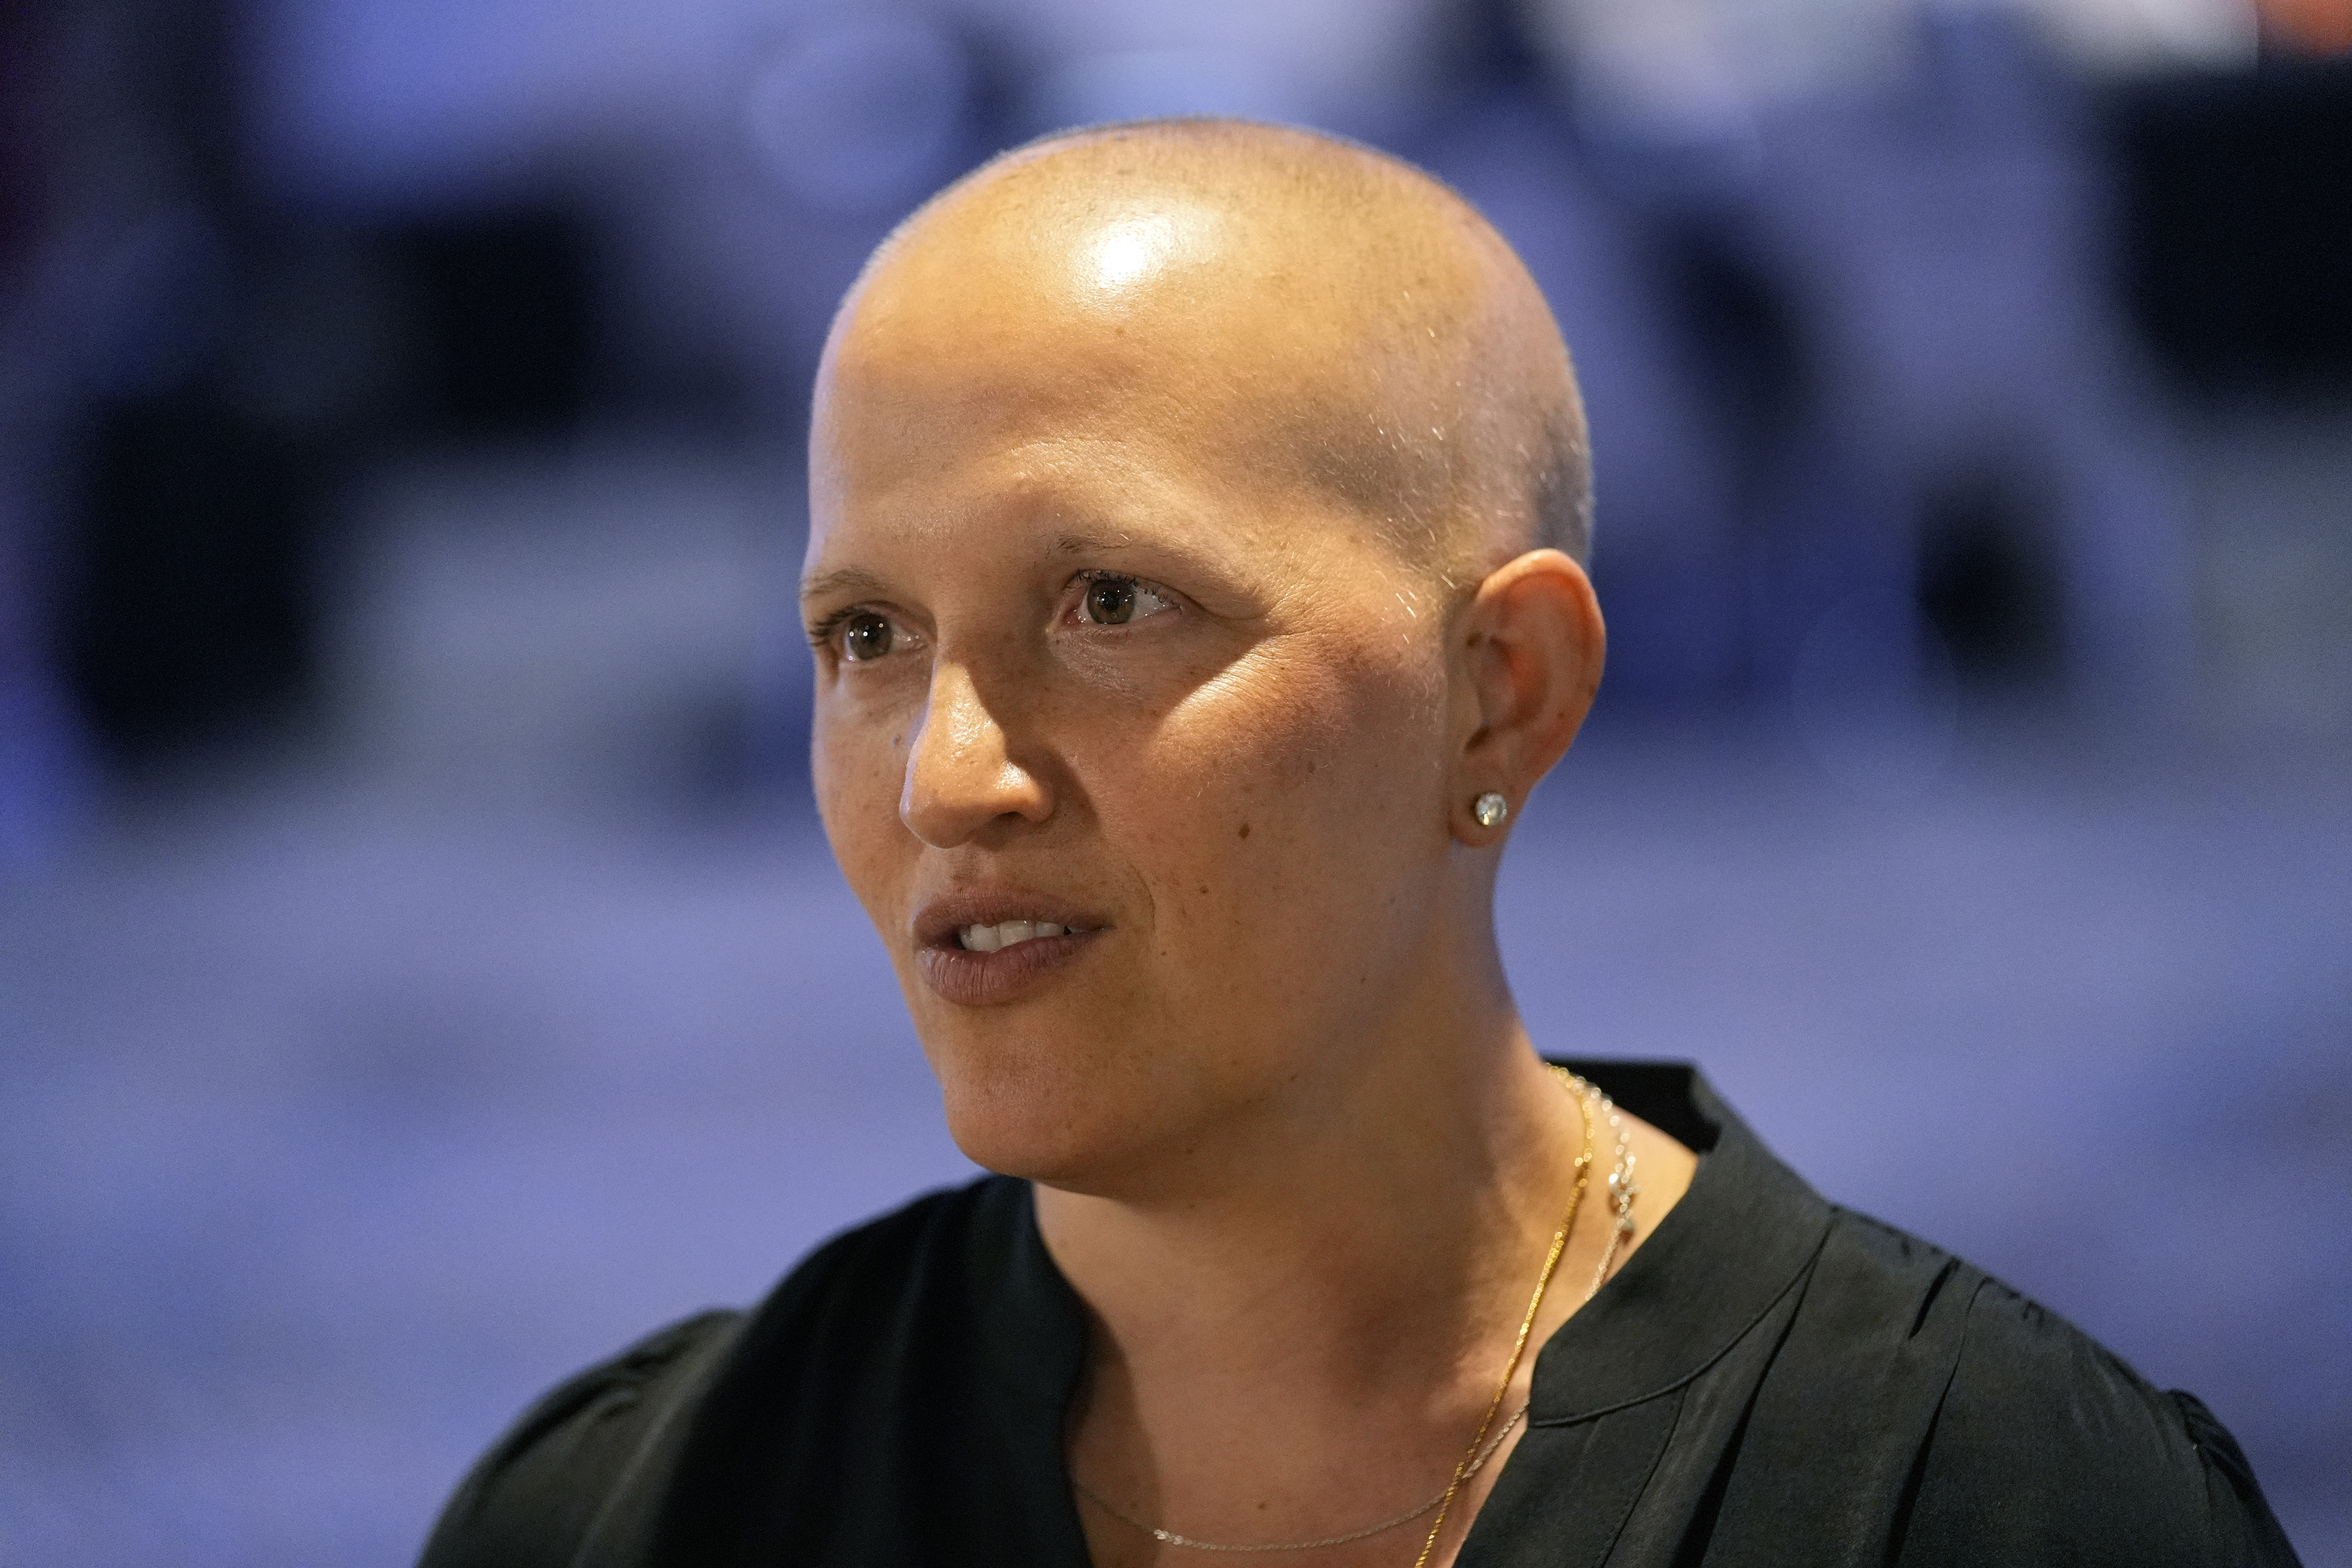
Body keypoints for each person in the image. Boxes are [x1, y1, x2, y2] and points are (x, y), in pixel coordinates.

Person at [417, 119, 2299, 1568]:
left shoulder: (1978, 1499)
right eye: (867, 639)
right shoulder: (650, 1508)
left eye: (1112, 602)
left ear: (1503, 690)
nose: (945, 777)